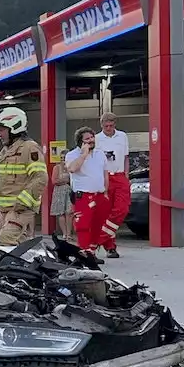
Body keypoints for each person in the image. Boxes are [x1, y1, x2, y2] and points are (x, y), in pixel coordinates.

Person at [0, 106, 48, 246]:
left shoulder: (29, 148)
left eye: (1, 129)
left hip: (19, 209)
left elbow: (40, 178)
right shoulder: (6, 150)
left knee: (6, 241)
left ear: (14, 127)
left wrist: (22, 202)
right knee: (19, 246)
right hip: (5, 210)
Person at [64, 127, 109, 263]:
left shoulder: (100, 154)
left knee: (97, 225)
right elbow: (72, 168)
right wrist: (83, 155)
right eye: (87, 139)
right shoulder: (72, 155)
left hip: (100, 195)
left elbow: (105, 174)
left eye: (92, 137)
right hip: (83, 196)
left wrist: (105, 191)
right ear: (80, 142)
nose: (91, 141)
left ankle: (91, 253)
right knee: (83, 226)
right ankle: (83, 254)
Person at [95, 111, 130, 258]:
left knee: (122, 209)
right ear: (101, 125)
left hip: (120, 175)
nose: (108, 128)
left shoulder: (122, 136)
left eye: (111, 125)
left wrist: (127, 176)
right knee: (106, 212)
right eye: (106, 125)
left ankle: (98, 240)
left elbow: (126, 157)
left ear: (115, 124)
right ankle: (110, 247)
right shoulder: (97, 139)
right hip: (105, 176)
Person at [49, 160, 74, 241]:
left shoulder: (71, 166)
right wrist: (65, 181)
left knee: (69, 212)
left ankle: (69, 234)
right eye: (61, 158)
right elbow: (54, 181)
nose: (63, 160)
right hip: (59, 191)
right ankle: (64, 233)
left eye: (64, 158)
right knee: (60, 213)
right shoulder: (56, 167)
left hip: (69, 191)